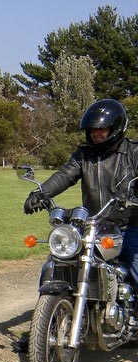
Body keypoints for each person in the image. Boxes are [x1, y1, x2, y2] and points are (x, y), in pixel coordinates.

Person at [24, 99, 138, 285]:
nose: (96, 134)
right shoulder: (84, 155)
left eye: (101, 129)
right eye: (92, 130)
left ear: (116, 128)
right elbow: (65, 175)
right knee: (57, 263)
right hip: (94, 226)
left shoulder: (133, 152)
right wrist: (41, 192)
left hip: (129, 227)